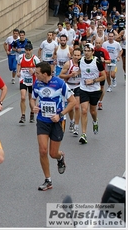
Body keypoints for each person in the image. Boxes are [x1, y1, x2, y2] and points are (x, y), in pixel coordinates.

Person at [30, 62, 75, 191]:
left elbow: (73, 102)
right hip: (42, 120)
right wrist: (34, 106)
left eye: (37, 73)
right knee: (43, 150)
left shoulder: (60, 84)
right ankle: (48, 180)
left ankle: (60, 157)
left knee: (53, 153)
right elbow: (33, 99)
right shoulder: (37, 83)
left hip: (57, 122)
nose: (35, 74)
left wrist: (60, 115)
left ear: (45, 74)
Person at [77, 43, 106, 144]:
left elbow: (103, 76)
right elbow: (80, 71)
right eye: (85, 51)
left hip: (95, 89)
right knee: (84, 110)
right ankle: (84, 134)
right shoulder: (80, 61)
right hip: (83, 89)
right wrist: (75, 75)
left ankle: (95, 121)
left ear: (92, 52)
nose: (86, 53)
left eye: (89, 51)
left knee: (92, 111)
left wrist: (93, 81)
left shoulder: (97, 61)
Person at [59, 48, 82, 136]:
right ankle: (72, 121)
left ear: (80, 56)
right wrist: (70, 75)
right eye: (75, 55)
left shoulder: (82, 64)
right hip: (69, 86)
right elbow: (61, 75)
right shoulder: (68, 64)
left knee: (77, 106)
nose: (76, 57)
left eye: (78, 55)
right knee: (70, 107)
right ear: (72, 55)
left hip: (78, 86)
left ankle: (76, 126)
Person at [16, 43, 40, 123]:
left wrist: (33, 72)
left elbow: (39, 69)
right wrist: (18, 72)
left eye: (29, 50)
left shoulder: (35, 59)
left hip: (32, 80)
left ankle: (32, 113)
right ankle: (23, 115)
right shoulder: (21, 57)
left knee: (31, 99)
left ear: (32, 50)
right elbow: (19, 64)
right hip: (23, 79)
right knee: (23, 97)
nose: (28, 52)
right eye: (26, 50)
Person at [93, 38, 111, 110]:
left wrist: (104, 61)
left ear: (101, 43)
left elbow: (109, 61)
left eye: (99, 43)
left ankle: (100, 102)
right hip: (93, 73)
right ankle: (93, 102)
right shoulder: (92, 51)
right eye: (96, 43)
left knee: (101, 88)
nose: (97, 44)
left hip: (101, 73)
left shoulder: (104, 51)